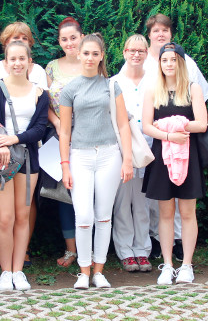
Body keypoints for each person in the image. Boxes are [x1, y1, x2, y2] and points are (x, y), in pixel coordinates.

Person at [59, 33, 134, 289]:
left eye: (95, 53)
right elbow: (65, 131)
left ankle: (99, 271)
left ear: (101, 56)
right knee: (83, 217)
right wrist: (64, 166)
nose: (90, 58)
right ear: (78, 54)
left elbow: (124, 125)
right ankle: (83, 272)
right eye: (86, 53)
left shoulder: (112, 86)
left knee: (103, 217)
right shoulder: (69, 90)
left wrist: (127, 160)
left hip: (109, 155)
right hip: (79, 156)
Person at [137, 13, 208, 260]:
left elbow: (202, 124)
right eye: (165, 60)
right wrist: (170, 135)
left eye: (174, 60)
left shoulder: (193, 89)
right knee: (166, 213)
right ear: (159, 63)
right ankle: (168, 264)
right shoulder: (152, 90)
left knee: (188, 213)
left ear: (181, 62)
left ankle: (187, 264)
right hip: (162, 156)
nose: (169, 64)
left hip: (189, 158)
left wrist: (181, 125)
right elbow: (147, 126)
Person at [0, 41, 49, 291]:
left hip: (29, 160)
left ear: (30, 61)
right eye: (12, 59)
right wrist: (0, 143)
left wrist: (15, 139)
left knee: (22, 217)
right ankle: (5, 272)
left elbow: (40, 128)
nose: (17, 63)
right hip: (1, 160)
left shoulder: (40, 93)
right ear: (5, 62)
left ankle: (19, 270)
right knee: (5, 218)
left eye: (22, 59)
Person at [110, 34, 153, 273]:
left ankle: (142, 250)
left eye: (141, 51)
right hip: (122, 151)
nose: (136, 55)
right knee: (122, 202)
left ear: (147, 54)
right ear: (124, 52)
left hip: (148, 150)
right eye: (132, 50)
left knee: (144, 202)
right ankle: (126, 251)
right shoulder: (113, 82)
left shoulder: (155, 81)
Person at [43, 17, 83, 268]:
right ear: (59, 42)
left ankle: (90, 249)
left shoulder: (92, 61)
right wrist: (58, 123)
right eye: (64, 39)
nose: (69, 43)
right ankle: (71, 250)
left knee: (89, 193)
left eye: (73, 37)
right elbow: (44, 103)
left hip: (89, 136)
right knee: (64, 192)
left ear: (81, 37)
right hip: (60, 136)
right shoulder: (51, 67)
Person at [0, 22, 48, 89]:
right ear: (6, 41)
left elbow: (42, 97)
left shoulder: (38, 71)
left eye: (24, 38)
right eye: (16, 38)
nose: (20, 41)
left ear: (29, 43)